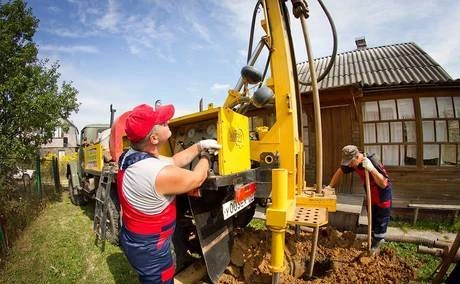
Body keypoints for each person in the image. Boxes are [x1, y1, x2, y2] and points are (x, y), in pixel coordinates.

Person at [117, 103, 221, 283]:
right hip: (151, 249)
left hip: (134, 237)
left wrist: (199, 145)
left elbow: (173, 160)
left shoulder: (130, 156)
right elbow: (197, 178)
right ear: (155, 138)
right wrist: (207, 156)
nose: (168, 122)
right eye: (164, 122)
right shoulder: (157, 173)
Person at [326, 145, 392, 250]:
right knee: (373, 223)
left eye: (351, 162)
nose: (350, 165)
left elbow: (384, 183)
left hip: (382, 196)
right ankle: (373, 241)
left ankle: (376, 247)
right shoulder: (353, 163)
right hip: (371, 195)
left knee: (380, 223)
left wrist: (371, 169)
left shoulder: (372, 161)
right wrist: (330, 186)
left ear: (357, 157)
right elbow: (340, 171)